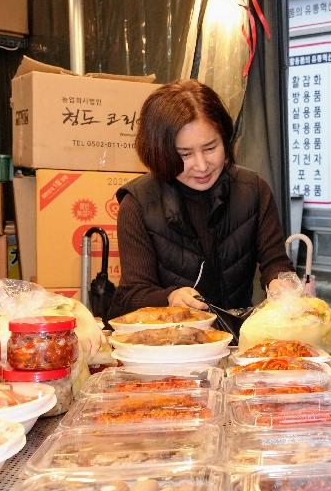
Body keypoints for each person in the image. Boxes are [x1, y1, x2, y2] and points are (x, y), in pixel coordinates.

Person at [108, 79, 294, 317]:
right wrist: (170, 297)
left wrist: (281, 285)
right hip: (169, 341)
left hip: (237, 336)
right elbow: (132, 294)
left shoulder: (253, 190)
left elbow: (276, 263)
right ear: (161, 153)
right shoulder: (138, 203)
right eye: (185, 154)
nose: (202, 165)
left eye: (210, 148)